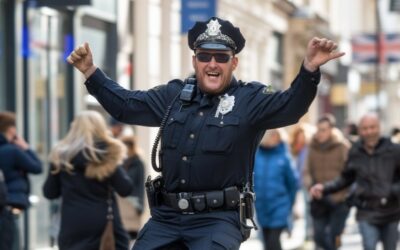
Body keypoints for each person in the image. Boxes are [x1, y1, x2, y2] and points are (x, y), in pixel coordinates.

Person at [67, 16, 344, 249]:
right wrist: (91, 72)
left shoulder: (250, 99)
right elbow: (127, 106)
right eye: (205, 56)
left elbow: (290, 107)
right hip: (166, 218)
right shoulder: (173, 96)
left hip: (219, 220)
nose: (212, 63)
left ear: (233, 63)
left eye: (221, 57)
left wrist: (309, 70)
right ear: (195, 61)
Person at [42, 110, 133, 250]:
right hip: (103, 221)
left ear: (74, 128)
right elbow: (125, 189)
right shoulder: (108, 154)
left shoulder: (61, 156)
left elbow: (49, 192)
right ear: (101, 128)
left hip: (71, 222)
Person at [310, 113, 400, 250]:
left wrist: (392, 191)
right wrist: (324, 188)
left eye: (372, 127)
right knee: (369, 246)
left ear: (379, 128)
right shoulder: (355, 151)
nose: (369, 132)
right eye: (365, 128)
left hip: (391, 212)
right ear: (359, 130)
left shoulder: (394, 150)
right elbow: (345, 178)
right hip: (366, 212)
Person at [303, 114, 350, 250]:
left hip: (339, 199)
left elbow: (349, 173)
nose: (320, 133)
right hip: (319, 199)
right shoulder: (312, 147)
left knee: (333, 237)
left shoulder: (342, 146)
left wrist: (342, 195)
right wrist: (311, 187)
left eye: (323, 129)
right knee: (318, 237)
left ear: (331, 129)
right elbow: (306, 171)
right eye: (318, 129)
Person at [0, 111, 42, 250]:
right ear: (11, 129)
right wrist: (26, 147)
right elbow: (37, 167)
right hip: (8, 205)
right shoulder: (12, 151)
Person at [254, 129, 298, 250]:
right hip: (261, 206)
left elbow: (292, 183)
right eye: (271, 135)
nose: (273, 138)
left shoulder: (284, 156)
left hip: (279, 205)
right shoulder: (257, 156)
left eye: (276, 135)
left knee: (274, 240)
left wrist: (290, 203)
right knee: (267, 242)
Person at [116, 135, 145, 241]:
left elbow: (141, 184)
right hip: (120, 203)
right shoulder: (119, 163)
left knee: (131, 236)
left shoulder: (138, 163)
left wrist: (141, 205)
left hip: (133, 203)